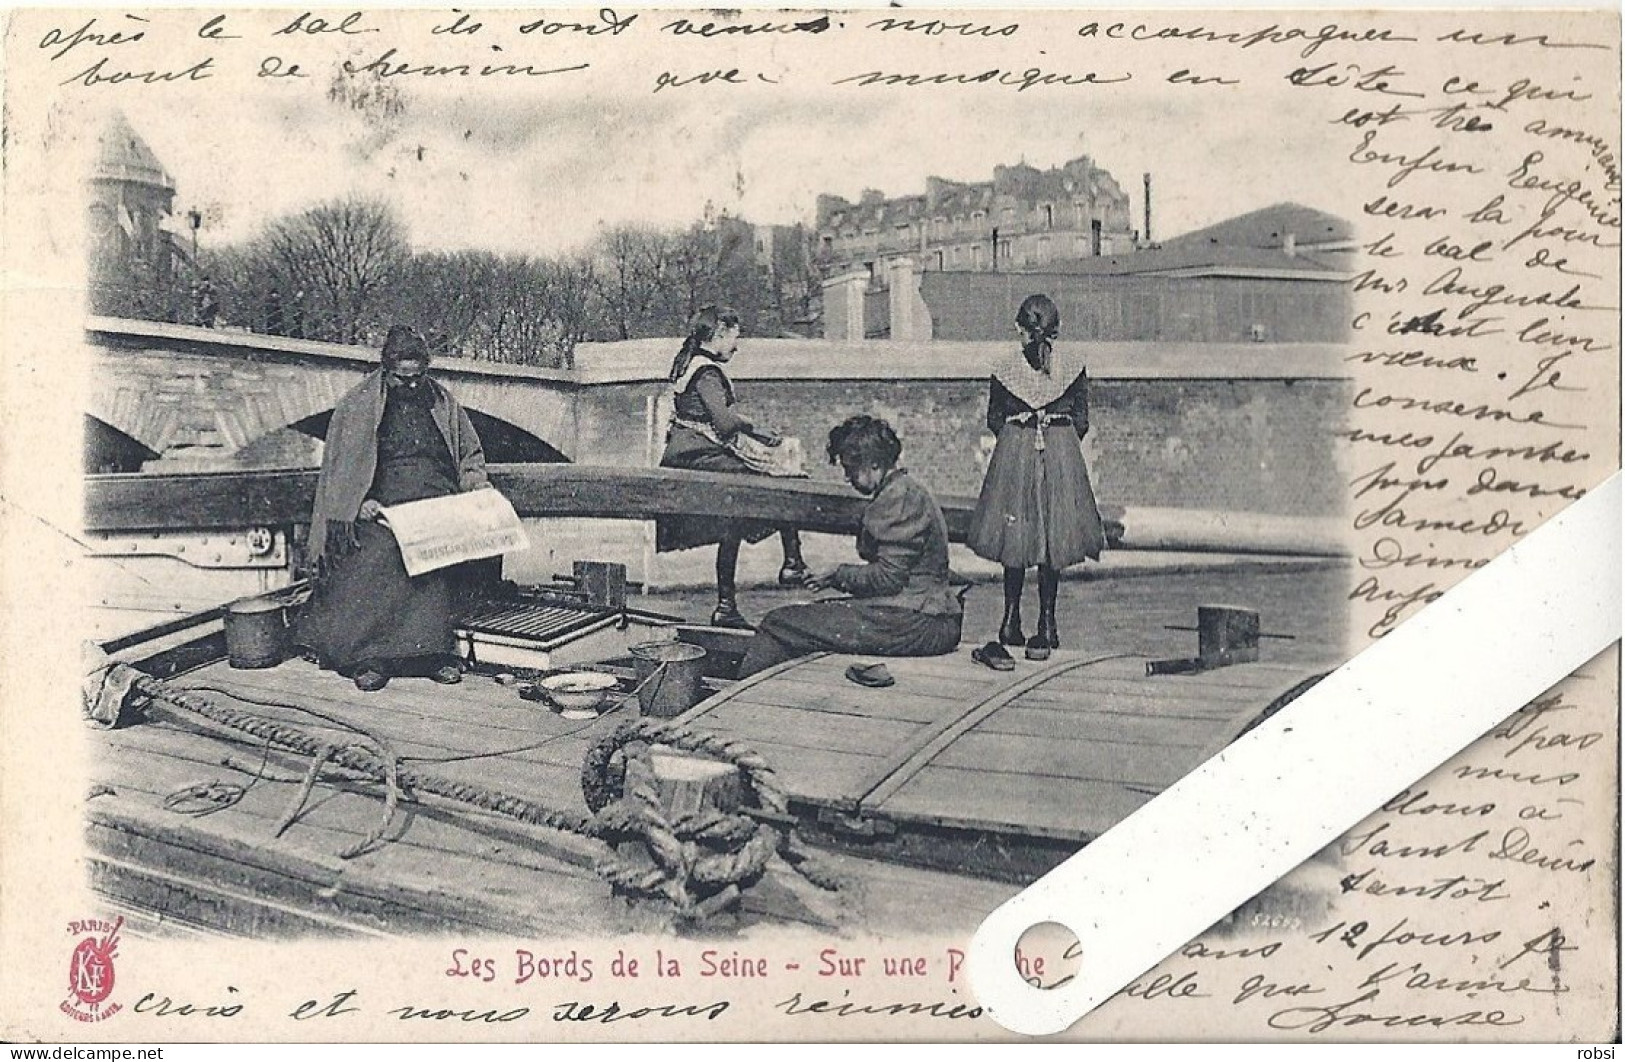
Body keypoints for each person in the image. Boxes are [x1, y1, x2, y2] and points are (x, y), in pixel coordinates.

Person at [295, 324, 491, 691]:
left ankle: (431, 654)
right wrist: (360, 503)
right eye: (403, 379)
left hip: (436, 503)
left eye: (418, 377)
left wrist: (476, 486)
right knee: (379, 551)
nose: (412, 386)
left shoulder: (443, 403)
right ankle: (370, 658)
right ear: (387, 371)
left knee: (437, 549)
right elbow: (344, 471)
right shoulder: (359, 405)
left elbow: (469, 456)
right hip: (380, 507)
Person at [736, 415, 963, 678]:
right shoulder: (908, 490)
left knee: (779, 623)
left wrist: (837, 574)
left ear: (873, 463)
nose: (847, 478)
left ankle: (734, 700)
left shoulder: (897, 498)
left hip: (918, 623)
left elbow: (889, 578)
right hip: (927, 617)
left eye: (850, 469)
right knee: (814, 616)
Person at [967, 294, 1105, 664]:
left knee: (1016, 537)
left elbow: (994, 419)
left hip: (1016, 450)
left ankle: (1010, 620)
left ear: (1019, 329)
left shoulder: (1004, 369)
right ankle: (1047, 624)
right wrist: (1057, 445)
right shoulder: (1073, 367)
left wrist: (1019, 441)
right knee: (1052, 538)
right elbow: (1083, 420)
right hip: (1060, 453)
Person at [656, 305, 807, 630]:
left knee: (733, 523)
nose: (736, 346)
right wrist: (756, 428)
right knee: (777, 480)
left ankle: (727, 606)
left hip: (690, 455)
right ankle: (793, 562)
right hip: (699, 456)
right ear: (720, 333)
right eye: (734, 338)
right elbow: (724, 424)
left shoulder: (689, 364)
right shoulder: (706, 371)